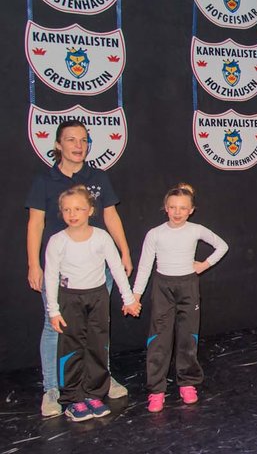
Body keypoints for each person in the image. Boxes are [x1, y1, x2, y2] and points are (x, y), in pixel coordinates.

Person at [25, 120, 132, 417]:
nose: (78, 145)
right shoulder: (44, 180)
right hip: (61, 272)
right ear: (58, 145)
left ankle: (101, 379)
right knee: (54, 327)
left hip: (97, 269)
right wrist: (34, 264)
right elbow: (35, 224)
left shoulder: (98, 177)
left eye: (83, 140)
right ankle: (51, 389)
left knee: (97, 327)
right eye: (71, 139)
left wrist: (124, 251)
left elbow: (111, 216)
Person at [44, 186, 140, 422]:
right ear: (61, 212)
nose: (72, 214)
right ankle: (73, 399)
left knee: (97, 346)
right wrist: (54, 311)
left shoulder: (102, 237)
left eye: (78, 209)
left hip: (97, 297)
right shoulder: (57, 241)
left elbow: (116, 268)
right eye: (67, 210)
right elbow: (51, 276)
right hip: (70, 299)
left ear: (90, 210)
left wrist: (128, 299)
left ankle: (94, 394)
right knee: (72, 349)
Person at [132, 184, 229, 412]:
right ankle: (157, 389)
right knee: (159, 338)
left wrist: (204, 265)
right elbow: (144, 266)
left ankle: (187, 383)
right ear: (165, 208)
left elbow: (222, 246)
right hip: (162, 287)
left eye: (183, 208)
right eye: (173, 207)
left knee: (188, 336)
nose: (177, 212)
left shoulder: (196, 230)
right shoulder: (155, 234)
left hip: (188, 286)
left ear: (191, 210)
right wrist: (135, 296)